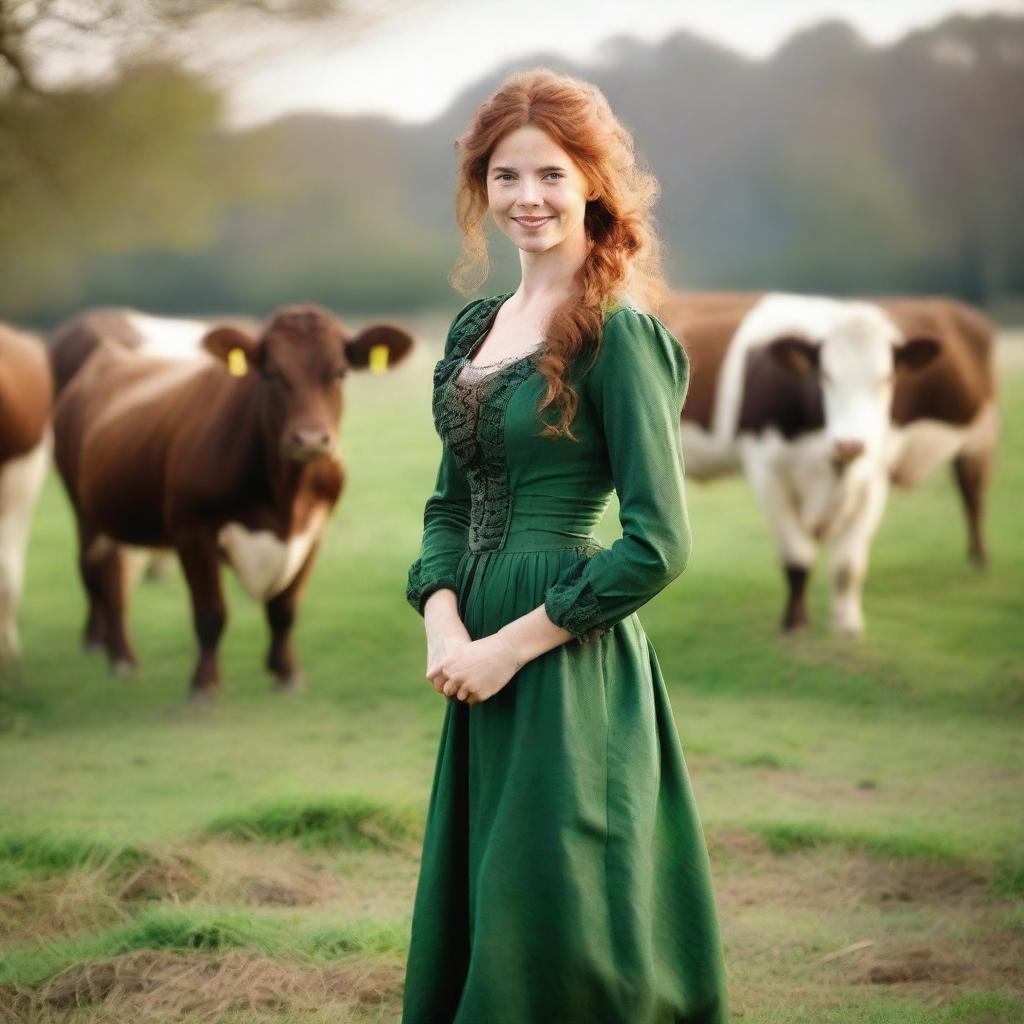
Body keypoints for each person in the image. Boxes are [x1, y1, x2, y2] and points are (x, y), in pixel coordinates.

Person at [403, 67, 728, 1024]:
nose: (528, 198)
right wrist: (445, 627)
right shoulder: (477, 329)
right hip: (472, 650)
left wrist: (510, 647)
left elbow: (657, 544)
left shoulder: (618, 336)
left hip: (562, 652)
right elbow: (445, 506)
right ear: (481, 188)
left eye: (550, 174)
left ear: (592, 181)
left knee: (562, 901)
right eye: (507, 177)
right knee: (494, 894)